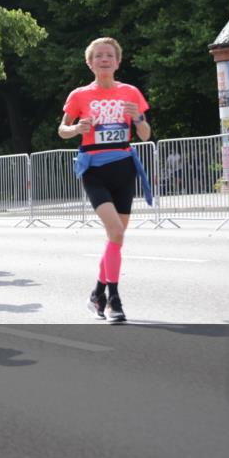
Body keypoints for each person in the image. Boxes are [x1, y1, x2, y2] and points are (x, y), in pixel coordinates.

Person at [59, 37, 152, 323]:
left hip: (124, 168)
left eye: (109, 55)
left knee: (116, 237)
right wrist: (76, 128)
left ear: (117, 61)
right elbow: (62, 129)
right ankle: (113, 299)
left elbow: (146, 135)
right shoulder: (79, 95)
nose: (104, 59)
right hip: (94, 170)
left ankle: (96, 294)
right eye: (98, 56)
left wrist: (138, 120)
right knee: (115, 230)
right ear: (90, 63)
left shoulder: (131, 92)